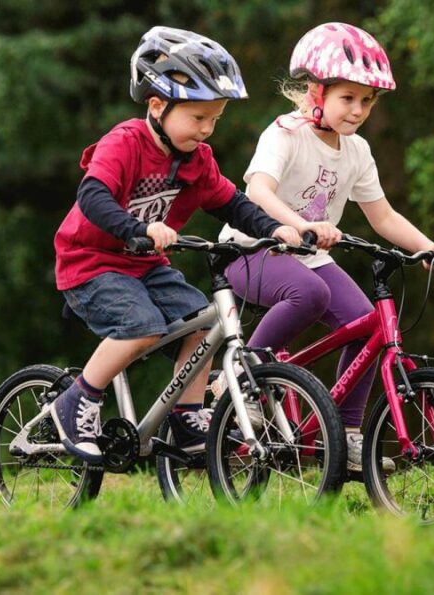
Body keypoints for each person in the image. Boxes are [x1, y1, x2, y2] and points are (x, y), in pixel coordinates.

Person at [52, 26, 302, 463]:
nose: (207, 130)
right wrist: (137, 228)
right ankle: (78, 401)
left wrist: (273, 229)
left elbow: (231, 203)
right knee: (142, 325)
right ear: (157, 105)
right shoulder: (125, 143)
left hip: (144, 265)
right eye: (197, 118)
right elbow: (92, 197)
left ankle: (187, 415)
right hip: (92, 263)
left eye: (214, 120)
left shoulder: (197, 160)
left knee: (203, 322)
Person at [218, 22, 434, 472]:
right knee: (311, 294)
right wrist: (301, 227)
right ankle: (244, 376)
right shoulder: (284, 134)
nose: (358, 110)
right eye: (348, 98)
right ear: (316, 93)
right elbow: (258, 194)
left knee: (368, 324)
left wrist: (429, 247)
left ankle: (346, 434)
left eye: (367, 101)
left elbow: (382, 216)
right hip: (250, 250)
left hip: (308, 254)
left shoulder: (357, 151)